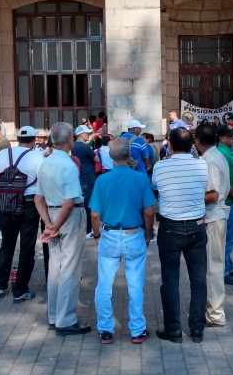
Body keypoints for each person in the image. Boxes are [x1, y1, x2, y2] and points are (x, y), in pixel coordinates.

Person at [90, 137, 156, 344]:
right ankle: (137, 330)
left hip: (109, 234)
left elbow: (94, 214)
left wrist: (97, 234)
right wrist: (147, 234)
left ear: (110, 157)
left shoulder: (102, 180)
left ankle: (105, 329)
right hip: (133, 234)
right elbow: (148, 211)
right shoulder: (140, 179)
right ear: (129, 155)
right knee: (135, 285)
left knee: (104, 285)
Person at [151, 128, 209, 343]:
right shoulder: (203, 165)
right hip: (196, 227)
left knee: (170, 280)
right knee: (198, 280)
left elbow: (156, 187)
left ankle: (173, 329)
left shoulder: (160, 166)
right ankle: (197, 329)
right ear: (192, 144)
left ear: (170, 145)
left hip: (170, 228)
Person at [35, 122, 90, 336]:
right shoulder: (68, 165)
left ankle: (54, 315)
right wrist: (54, 226)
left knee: (56, 267)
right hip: (69, 216)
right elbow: (69, 202)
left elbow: (38, 198)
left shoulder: (45, 163)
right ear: (68, 139)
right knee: (69, 268)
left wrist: (48, 223)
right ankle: (65, 319)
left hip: (52, 213)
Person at [0, 126, 44, 302]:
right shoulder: (36, 156)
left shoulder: (4, 154)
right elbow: (44, 182)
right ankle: (20, 290)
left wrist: (4, 191)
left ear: (18, 139)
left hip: (7, 205)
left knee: (6, 245)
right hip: (29, 205)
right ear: (34, 140)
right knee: (27, 248)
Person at [193, 123, 230, 328]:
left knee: (213, 266)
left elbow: (213, 195)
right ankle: (213, 310)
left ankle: (215, 313)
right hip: (215, 216)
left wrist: (189, 199)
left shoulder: (210, 160)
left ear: (197, 141)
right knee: (213, 265)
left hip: (213, 217)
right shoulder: (215, 155)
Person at [215, 125, 233, 286]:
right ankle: (224, 271)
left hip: (229, 199)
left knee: (229, 238)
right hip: (229, 200)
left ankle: (228, 265)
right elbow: (226, 180)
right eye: (231, 136)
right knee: (227, 238)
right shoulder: (223, 153)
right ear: (221, 138)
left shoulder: (225, 151)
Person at [72, 124, 99, 234]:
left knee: (80, 204)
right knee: (88, 205)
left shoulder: (74, 146)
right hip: (88, 178)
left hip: (80, 177)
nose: (88, 134)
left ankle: (82, 227)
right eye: (87, 133)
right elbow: (96, 159)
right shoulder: (84, 147)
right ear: (80, 134)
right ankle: (88, 229)